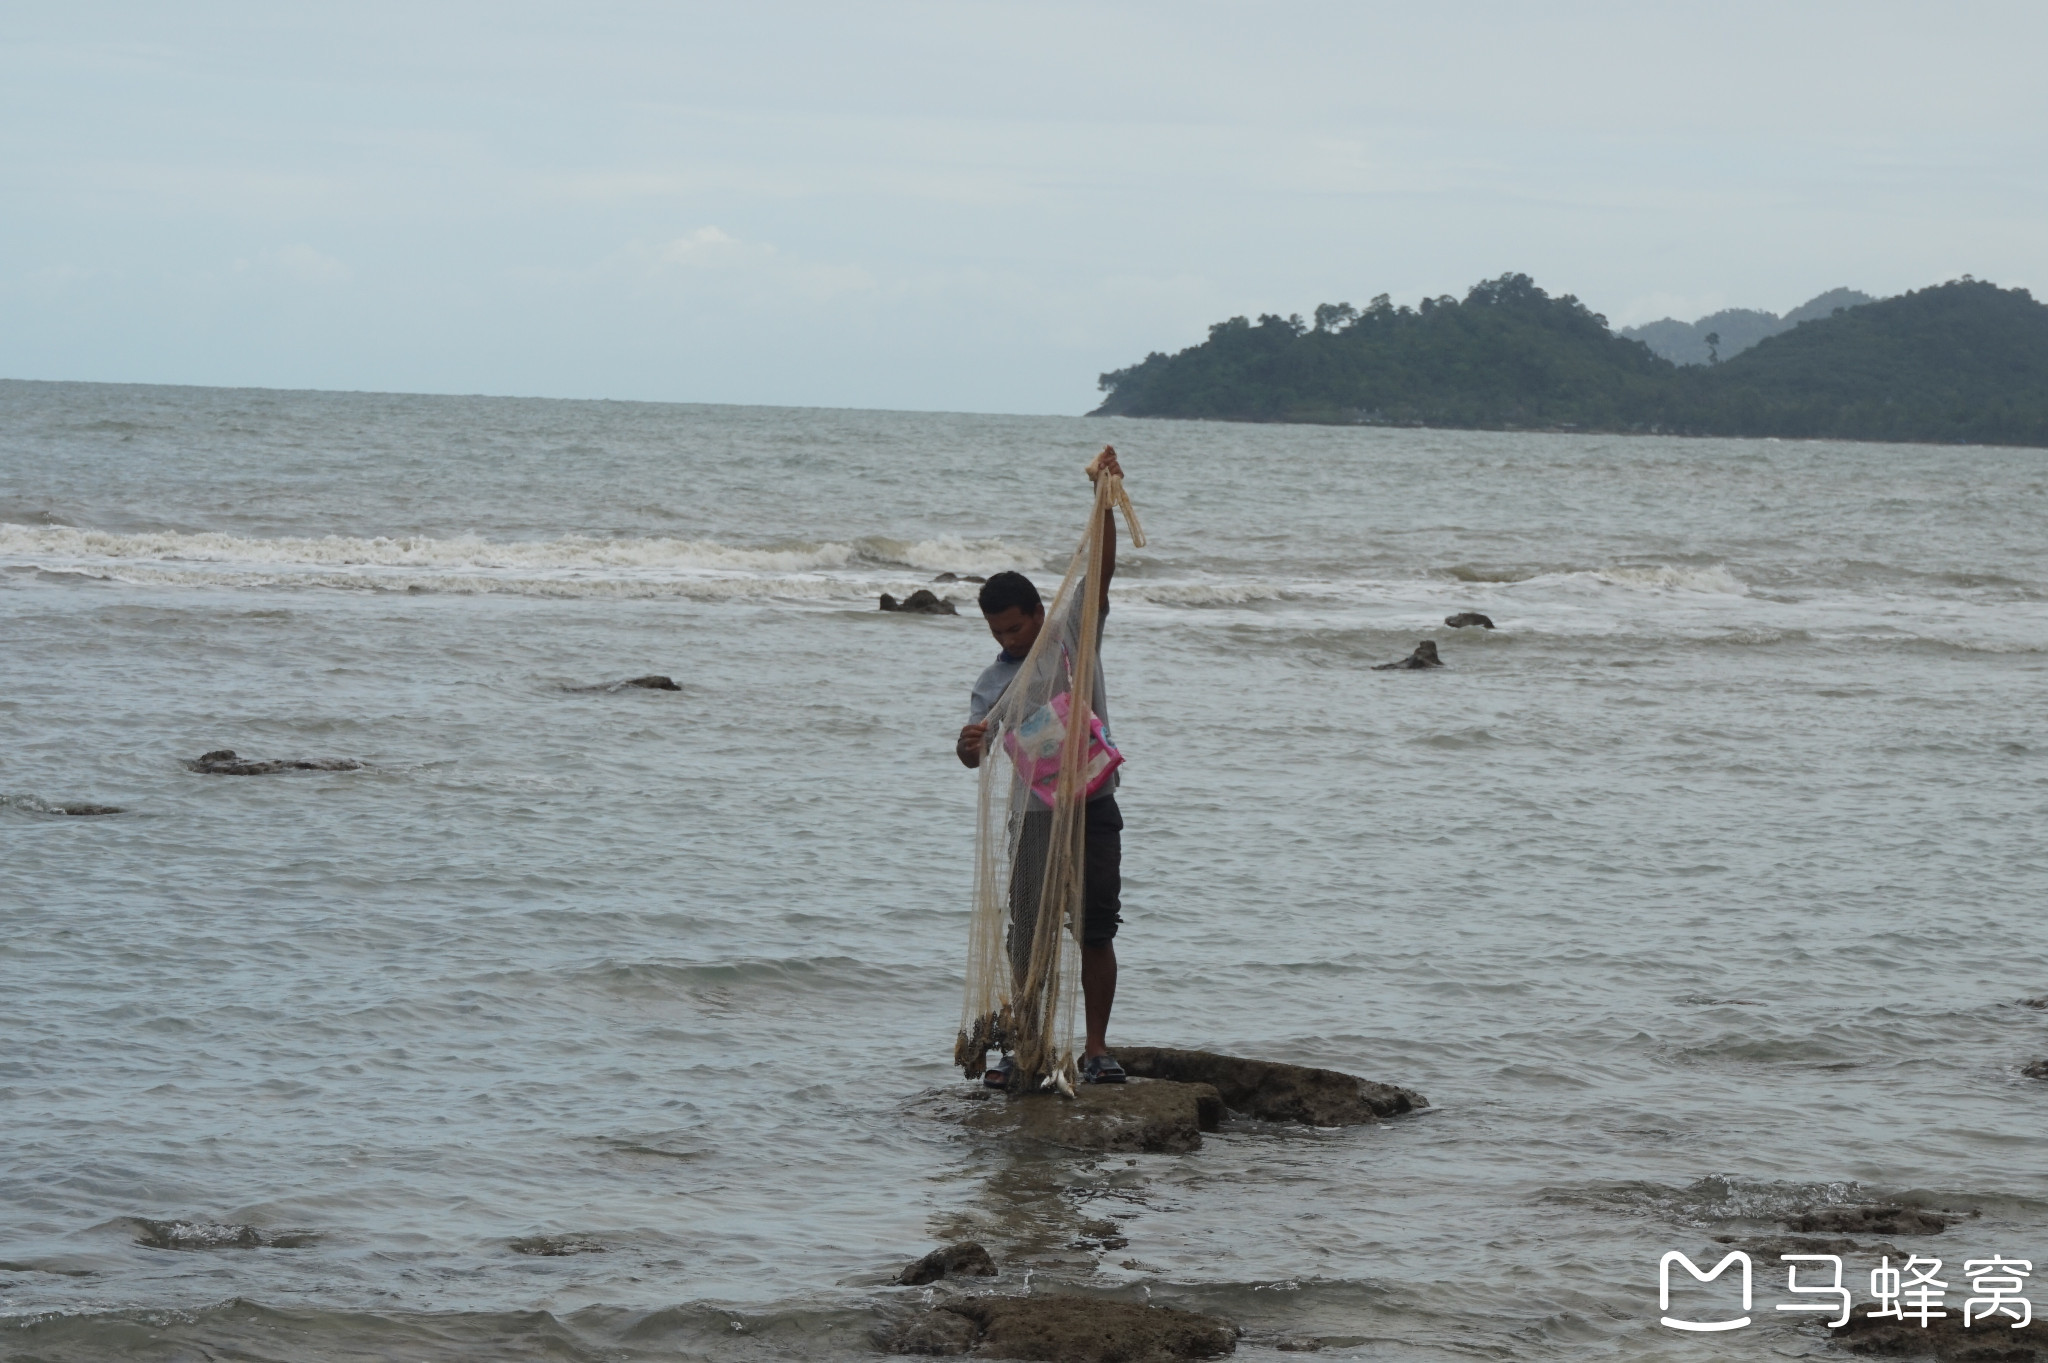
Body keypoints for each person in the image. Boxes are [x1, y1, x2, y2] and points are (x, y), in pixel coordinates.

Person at [955, 446, 1127, 1088]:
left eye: (1014, 628)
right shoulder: (994, 680)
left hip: (1093, 803)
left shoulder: (1071, 635)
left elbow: (1101, 573)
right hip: (1033, 817)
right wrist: (970, 743)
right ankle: (1021, 1046)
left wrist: (1103, 498)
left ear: (1037, 614)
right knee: (1026, 935)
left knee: (1095, 927)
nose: (1008, 642)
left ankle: (1098, 1049)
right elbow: (973, 754)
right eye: (997, 633)